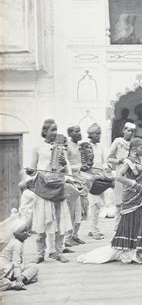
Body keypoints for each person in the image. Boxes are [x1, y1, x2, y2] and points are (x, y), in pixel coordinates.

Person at [78, 138, 142, 265]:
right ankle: (133, 250)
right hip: (133, 196)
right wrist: (132, 183)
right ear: (134, 149)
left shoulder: (140, 160)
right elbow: (118, 176)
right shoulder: (128, 162)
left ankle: (140, 249)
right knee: (134, 221)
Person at [27, 119, 71, 264]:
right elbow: (32, 170)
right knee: (42, 220)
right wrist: (31, 171)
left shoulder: (61, 148)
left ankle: (57, 252)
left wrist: (64, 164)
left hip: (57, 186)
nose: (54, 132)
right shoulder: (38, 148)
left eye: (56, 129)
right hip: (43, 187)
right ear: (45, 131)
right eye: (52, 129)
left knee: (59, 221)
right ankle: (40, 253)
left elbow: (67, 169)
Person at [107, 122, 135, 230]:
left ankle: (128, 226)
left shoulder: (133, 143)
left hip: (131, 175)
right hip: (120, 174)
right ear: (123, 130)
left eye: (132, 131)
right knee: (119, 202)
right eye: (128, 130)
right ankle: (117, 226)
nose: (130, 133)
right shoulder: (118, 142)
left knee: (130, 201)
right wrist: (119, 160)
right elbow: (109, 158)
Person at [0, 218, 38, 291]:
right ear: (15, 234)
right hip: (6, 268)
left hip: (9, 268)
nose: (26, 233)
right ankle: (16, 283)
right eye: (23, 231)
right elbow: (16, 262)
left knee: (35, 277)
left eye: (27, 230)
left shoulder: (17, 241)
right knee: (34, 268)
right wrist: (19, 279)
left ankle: (11, 283)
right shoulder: (17, 243)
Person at [65, 125, 85, 247]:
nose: (79, 133)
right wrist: (78, 167)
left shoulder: (81, 146)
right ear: (70, 133)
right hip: (70, 180)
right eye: (76, 131)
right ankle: (67, 237)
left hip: (80, 179)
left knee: (80, 209)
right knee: (71, 210)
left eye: (79, 130)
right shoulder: (66, 146)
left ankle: (75, 235)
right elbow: (65, 167)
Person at [86, 123, 108, 240]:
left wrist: (105, 170)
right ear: (91, 135)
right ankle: (95, 231)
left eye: (100, 133)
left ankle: (92, 228)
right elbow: (86, 164)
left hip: (101, 176)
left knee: (98, 204)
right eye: (97, 134)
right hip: (91, 177)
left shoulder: (100, 147)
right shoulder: (86, 146)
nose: (99, 136)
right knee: (94, 204)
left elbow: (103, 162)